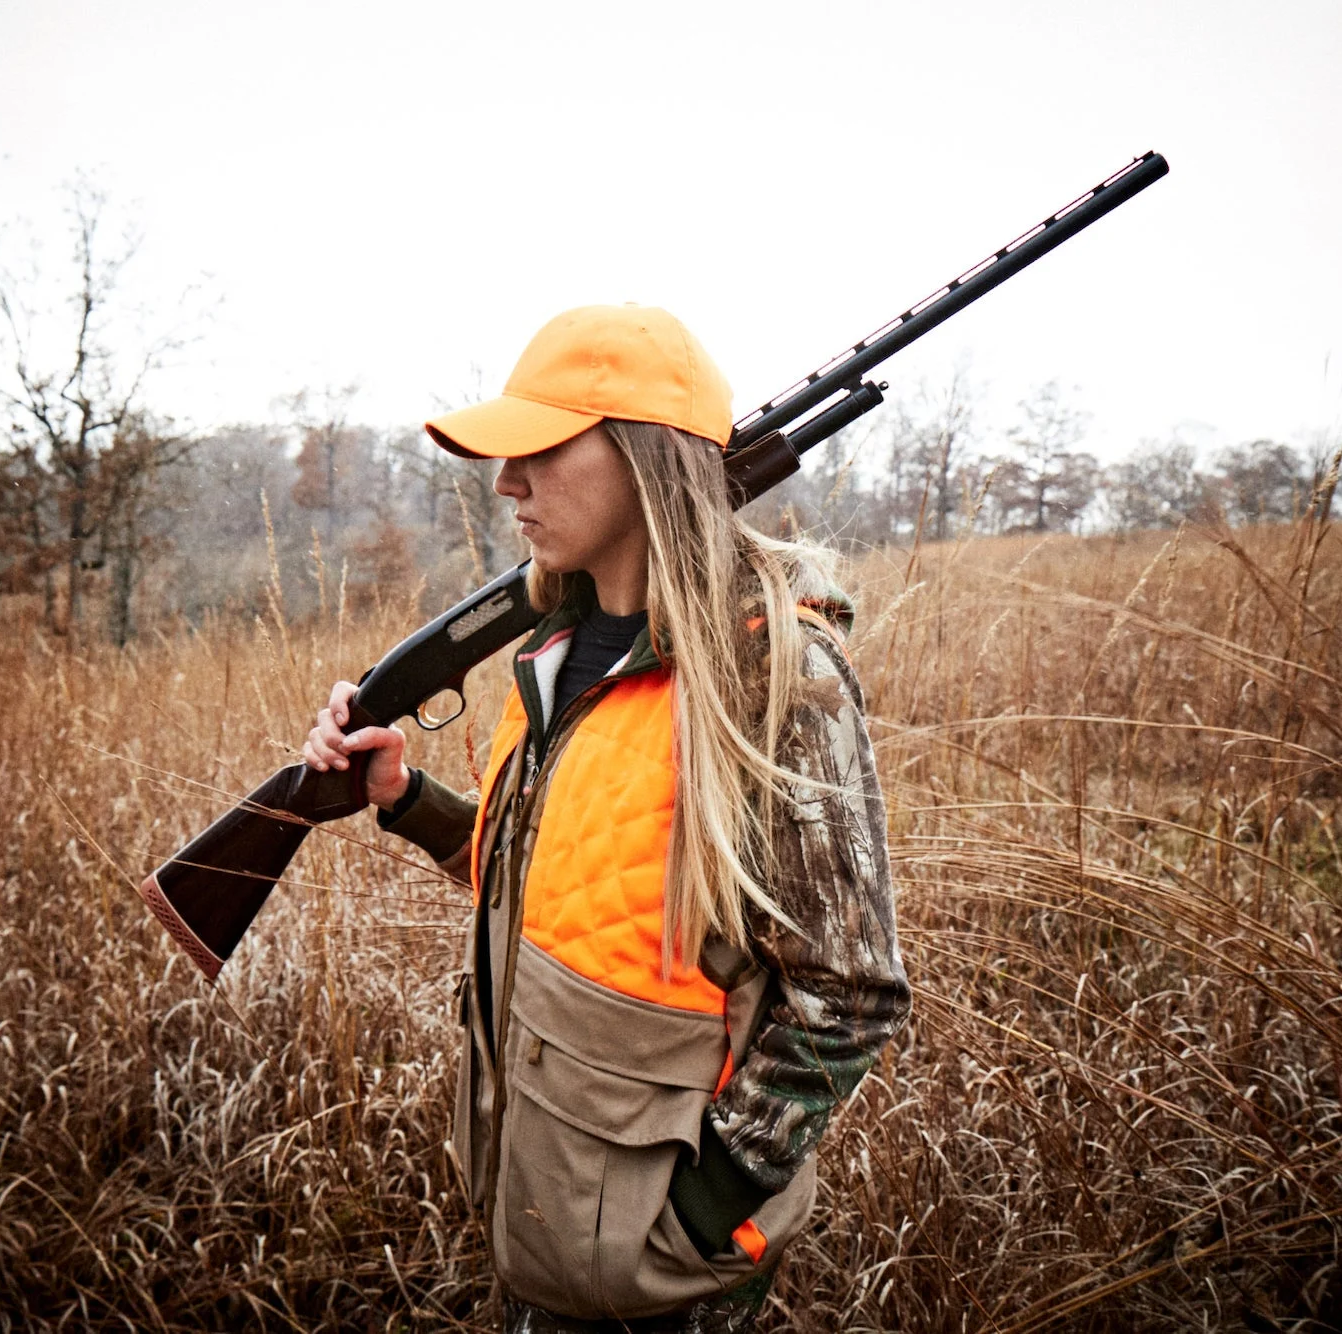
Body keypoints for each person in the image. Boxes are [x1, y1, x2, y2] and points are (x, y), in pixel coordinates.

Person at [302, 305, 909, 1331]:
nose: (506, 483)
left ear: (641, 459)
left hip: (658, 1277)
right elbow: (565, 885)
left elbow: (849, 992)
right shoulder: (555, 648)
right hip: (536, 1216)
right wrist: (404, 799)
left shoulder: (773, 673)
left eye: (538, 449)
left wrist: (695, 1209)